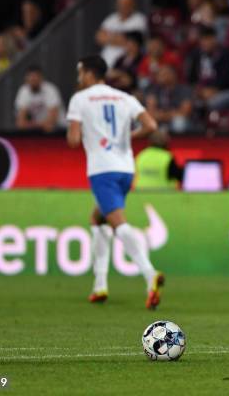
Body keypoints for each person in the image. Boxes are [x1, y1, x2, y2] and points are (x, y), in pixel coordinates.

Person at [66, 55, 164, 309]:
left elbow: (74, 140)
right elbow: (151, 125)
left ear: (89, 74)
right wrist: (128, 137)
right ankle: (99, 285)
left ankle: (149, 273)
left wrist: (83, 131)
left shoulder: (80, 99)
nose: (79, 79)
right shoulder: (124, 98)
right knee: (97, 219)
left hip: (102, 169)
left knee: (118, 224)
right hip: (126, 170)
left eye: (81, 73)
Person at [96, 0, 148, 67]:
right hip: (105, 60)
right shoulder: (111, 18)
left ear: (133, 5)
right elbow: (99, 38)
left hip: (125, 63)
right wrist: (119, 37)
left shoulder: (139, 19)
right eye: (120, 4)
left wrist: (110, 37)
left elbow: (132, 40)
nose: (123, 6)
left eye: (126, 4)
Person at [15, 65, 65, 132]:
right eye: (31, 78)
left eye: (36, 77)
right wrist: (38, 125)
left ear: (41, 78)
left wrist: (29, 125)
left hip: (60, 130)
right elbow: (20, 123)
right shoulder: (23, 91)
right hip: (40, 131)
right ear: (26, 79)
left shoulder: (50, 89)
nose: (33, 80)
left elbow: (52, 120)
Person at [145, 64, 193, 132]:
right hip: (159, 121)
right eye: (159, 74)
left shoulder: (185, 90)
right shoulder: (153, 89)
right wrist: (168, 114)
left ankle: (178, 143)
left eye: (164, 74)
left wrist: (163, 115)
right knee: (143, 122)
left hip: (177, 122)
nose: (160, 76)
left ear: (173, 75)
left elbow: (185, 113)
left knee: (179, 122)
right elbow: (150, 112)